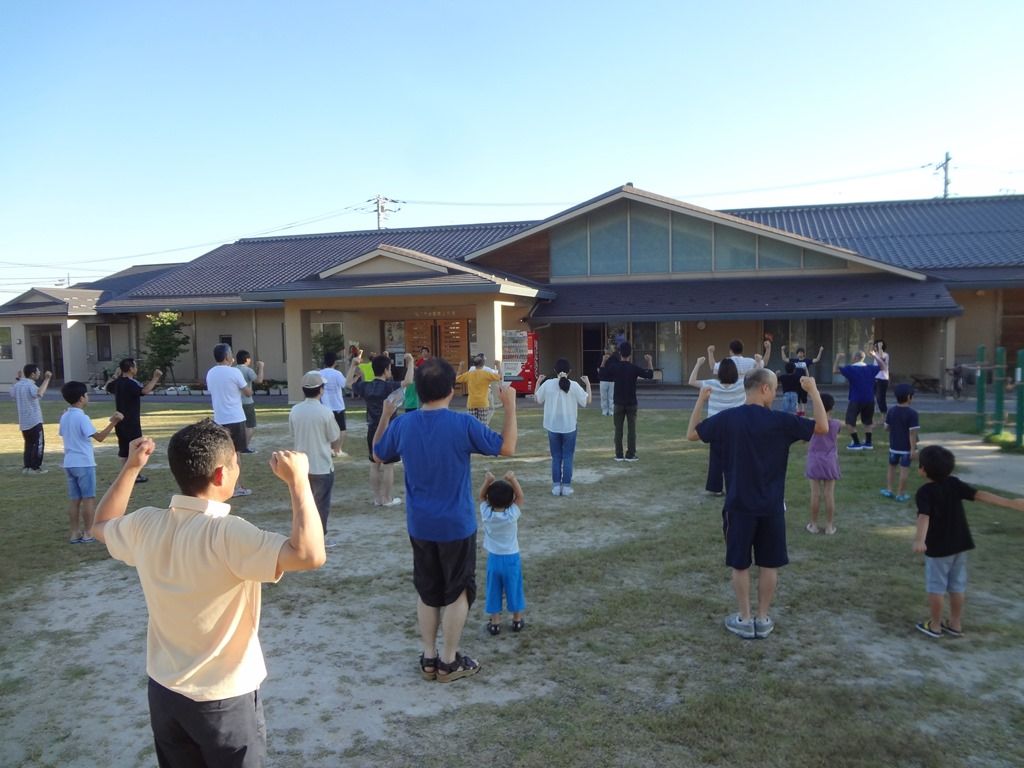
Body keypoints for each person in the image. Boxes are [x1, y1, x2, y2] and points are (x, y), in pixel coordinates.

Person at [92, 421, 326, 766]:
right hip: (223, 699)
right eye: (235, 462)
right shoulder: (228, 533)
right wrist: (299, 482)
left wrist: (131, 467)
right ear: (220, 475)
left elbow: (100, 525)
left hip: (164, 690)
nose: (238, 467)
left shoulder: (145, 523)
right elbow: (309, 555)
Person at [372, 357, 518, 683]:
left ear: (419, 391)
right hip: (456, 525)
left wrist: (385, 416)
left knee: (428, 591)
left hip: (420, 525)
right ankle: (449, 662)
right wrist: (509, 406)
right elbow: (507, 447)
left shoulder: (403, 425)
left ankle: (429, 657)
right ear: (452, 390)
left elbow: (379, 453)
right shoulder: (461, 424)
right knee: (458, 592)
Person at [688, 370, 829, 639]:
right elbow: (821, 427)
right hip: (772, 507)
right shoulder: (780, 421)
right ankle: (762, 619)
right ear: (764, 388)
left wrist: (701, 401)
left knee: (740, 564)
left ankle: (745, 617)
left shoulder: (729, 419)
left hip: (739, 505)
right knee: (768, 564)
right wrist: (813, 392)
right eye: (774, 389)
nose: (775, 394)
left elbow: (692, 434)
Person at [912, 445, 1024, 638]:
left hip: (938, 549)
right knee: (957, 586)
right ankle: (955, 624)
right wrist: (1010, 503)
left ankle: (935, 625)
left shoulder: (924, 492)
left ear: (923, 469)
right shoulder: (954, 483)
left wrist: (920, 540)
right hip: (960, 545)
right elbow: (980, 495)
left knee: (936, 587)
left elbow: (924, 516)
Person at [58, 381, 123, 543]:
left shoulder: (65, 416)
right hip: (84, 463)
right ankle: (88, 532)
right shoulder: (82, 417)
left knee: (75, 500)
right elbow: (100, 437)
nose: (87, 397)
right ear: (81, 398)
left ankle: (74, 533)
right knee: (88, 498)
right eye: (86, 395)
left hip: (69, 462)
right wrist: (113, 422)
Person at [349, 352, 414, 506]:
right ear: (386, 370)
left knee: (374, 464)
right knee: (388, 465)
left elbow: (348, 383)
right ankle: (387, 498)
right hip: (389, 430)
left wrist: (353, 366)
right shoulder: (390, 386)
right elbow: (409, 380)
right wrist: (410, 362)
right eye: (389, 368)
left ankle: (377, 498)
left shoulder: (366, 387)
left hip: (372, 428)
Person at [289, 371, 343, 541]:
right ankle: (319, 538)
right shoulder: (325, 412)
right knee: (321, 505)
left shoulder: (295, 410)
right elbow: (334, 437)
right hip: (322, 465)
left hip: (301, 466)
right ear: (320, 390)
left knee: (302, 504)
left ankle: (303, 536)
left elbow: (293, 433)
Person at [687, 355, 745, 496]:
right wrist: (758, 363)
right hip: (736, 425)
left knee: (716, 458)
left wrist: (698, 363)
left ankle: (715, 488)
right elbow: (758, 378)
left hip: (715, 425)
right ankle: (735, 486)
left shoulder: (711, 384)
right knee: (736, 457)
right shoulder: (742, 384)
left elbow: (691, 381)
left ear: (719, 373)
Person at [478, 470, 526, 636]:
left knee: (493, 589)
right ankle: (517, 620)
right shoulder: (512, 515)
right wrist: (513, 479)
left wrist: (487, 481)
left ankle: (495, 622)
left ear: (490, 500)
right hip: (512, 558)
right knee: (514, 588)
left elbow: (481, 497)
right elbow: (520, 497)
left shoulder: (486, 514)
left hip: (494, 559)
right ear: (510, 501)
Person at [534, 358, 591, 496]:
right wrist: (588, 384)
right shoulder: (574, 385)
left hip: (553, 425)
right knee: (567, 456)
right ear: (570, 371)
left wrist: (538, 382)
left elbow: (537, 399)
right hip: (569, 426)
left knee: (556, 457)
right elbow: (587, 401)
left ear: (555, 370)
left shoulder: (548, 384)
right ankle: (566, 486)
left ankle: (555, 486)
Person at [206, 343, 254, 497]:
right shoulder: (234, 373)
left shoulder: (211, 373)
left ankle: (222, 485)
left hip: (219, 418)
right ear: (227, 357)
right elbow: (248, 393)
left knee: (222, 455)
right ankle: (237, 487)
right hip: (235, 417)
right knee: (235, 454)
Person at [105, 357, 163, 483]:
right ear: (131, 369)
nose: (136, 368)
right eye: (135, 366)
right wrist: (156, 378)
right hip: (131, 421)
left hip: (119, 420)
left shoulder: (118, 382)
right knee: (136, 447)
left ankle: (125, 474)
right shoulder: (131, 383)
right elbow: (144, 391)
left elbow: (107, 386)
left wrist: (115, 375)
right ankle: (134, 475)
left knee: (124, 448)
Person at [609, 341, 654, 462]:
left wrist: (604, 360)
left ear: (620, 353)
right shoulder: (633, 368)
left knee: (618, 430)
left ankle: (618, 454)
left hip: (618, 402)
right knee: (631, 430)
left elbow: (602, 373)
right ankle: (630, 454)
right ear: (630, 354)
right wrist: (649, 361)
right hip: (631, 402)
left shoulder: (615, 367)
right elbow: (649, 375)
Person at [833, 350, 886, 451]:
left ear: (856, 358)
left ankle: (856, 443)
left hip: (856, 398)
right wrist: (875, 356)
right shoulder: (870, 368)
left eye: (853, 356)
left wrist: (838, 358)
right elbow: (883, 367)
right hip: (870, 399)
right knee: (868, 422)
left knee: (849, 421)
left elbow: (835, 370)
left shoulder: (851, 369)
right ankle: (868, 443)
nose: (852, 358)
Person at [805, 392, 842, 535]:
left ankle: (813, 525)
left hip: (814, 460)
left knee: (815, 494)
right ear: (831, 408)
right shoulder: (836, 424)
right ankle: (829, 526)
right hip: (830, 461)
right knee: (829, 494)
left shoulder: (812, 424)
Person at [882, 383, 920, 502]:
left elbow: (886, 428)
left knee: (891, 467)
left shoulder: (891, 411)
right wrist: (913, 450)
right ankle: (900, 493)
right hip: (906, 449)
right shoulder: (912, 413)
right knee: (904, 470)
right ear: (909, 397)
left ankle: (889, 490)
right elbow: (912, 433)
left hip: (893, 447)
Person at [11, 364, 52, 474]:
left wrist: (18, 379)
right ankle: (35, 468)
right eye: (38, 372)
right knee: (38, 444)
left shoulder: (18, 385)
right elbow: (39, 393)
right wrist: (47, 379)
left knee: (29, 444)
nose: (39, 373)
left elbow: (12, 393)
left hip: (24, 421)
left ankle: (27, 467)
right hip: (34, 420)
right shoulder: (31, 385)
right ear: (33, 374)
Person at [456, 353, 502, 424]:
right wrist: (498, 365)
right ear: (483, 364)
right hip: (483, 403)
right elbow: (500, 377)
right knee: (483, 425)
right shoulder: (486, 373)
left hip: (471, 403)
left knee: (472, 424)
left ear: (474, 364)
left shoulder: (470, 373)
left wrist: (460, 366)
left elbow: (457, 379)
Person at [319, 351, 349, 456]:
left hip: (325, 406)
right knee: (341, 429)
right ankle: (337, 449)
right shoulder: (337, 373)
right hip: (338, 406)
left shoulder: (320, 373)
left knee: (326, 430)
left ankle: (329, 449)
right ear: (335, 362)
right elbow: (345, 384)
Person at [782, 345, 825, 416]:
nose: (800, 354)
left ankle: (803, 411)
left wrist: (820, 351)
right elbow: (784, 359)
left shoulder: (807, 361)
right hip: (796, 381)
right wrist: (782, 350)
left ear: (804, 353)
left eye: (802, 352)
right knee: (797, 396)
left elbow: (817, 359)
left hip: (804, 381)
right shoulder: (794, 361)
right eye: (799, 353)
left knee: (804, 396)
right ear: (797, 354)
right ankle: (798, 411)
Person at [235, 350, 265, 453]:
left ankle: (236, 446)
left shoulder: (234, 370)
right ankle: (244, 447)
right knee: (250, 425)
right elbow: (259, 380)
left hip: (236, 402)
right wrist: (261, 367)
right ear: (247, 359)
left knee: (238, 426)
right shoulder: (248, 370)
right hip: (247, 402)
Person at [596, 349, 618, 416]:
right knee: (603, 397)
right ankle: (604, 411)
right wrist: (604, 360)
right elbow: (599, 369)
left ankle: (611, 411)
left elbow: (617, 368)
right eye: (606, 351)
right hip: (603, 380)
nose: (607, 352)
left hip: (612, 380)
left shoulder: (615, 358)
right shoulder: (601, 357)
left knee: (611, 397)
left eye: (609, 351)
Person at [872, 339, 891, 415]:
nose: (874, 347)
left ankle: (884, 418)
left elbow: (881, 359)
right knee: (871, 397)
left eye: (876, 346)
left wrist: (880, 347)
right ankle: (870, 415)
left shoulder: (885, 354)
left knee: (880, 398)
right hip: (875, 378)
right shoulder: (875, 354)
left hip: (882, 379)